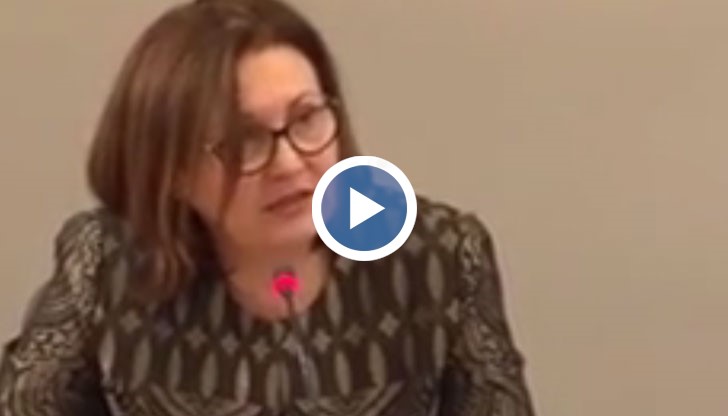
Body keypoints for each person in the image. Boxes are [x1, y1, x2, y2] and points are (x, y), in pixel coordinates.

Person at [0, 0, 536, 415]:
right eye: (244, 141)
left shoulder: (438, 257)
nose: (290, 162)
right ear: (171, 171)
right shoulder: (107, 263)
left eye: (306, 118)